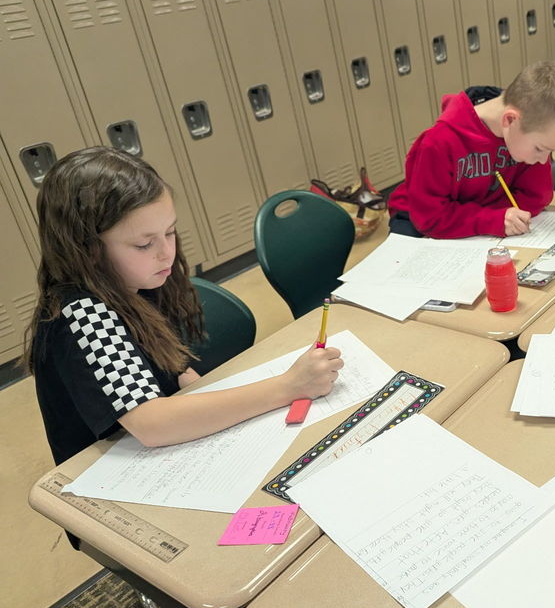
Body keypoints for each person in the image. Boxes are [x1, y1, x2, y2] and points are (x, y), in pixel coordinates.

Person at [25, 147, 344, 467]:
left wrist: (188, 382)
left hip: (168, 444)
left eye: (170, 231)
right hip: (111, 469)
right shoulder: (82, 313)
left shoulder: (137, 278)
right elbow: (151, 423)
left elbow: (166, 365)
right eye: (144, 243)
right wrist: (288, 386)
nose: (167, 253)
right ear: (86, 249)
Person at [387, 61, 555, 239]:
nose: (544, 161)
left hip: (472, 225)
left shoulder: (527, 131)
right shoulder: (438, 142)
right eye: (540, 149)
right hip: (416, 224)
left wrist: (495, 218)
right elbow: (430, 217)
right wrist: (492, 219)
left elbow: (537, 197)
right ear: (509, 120)